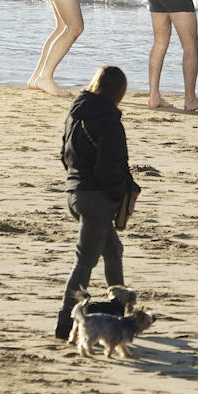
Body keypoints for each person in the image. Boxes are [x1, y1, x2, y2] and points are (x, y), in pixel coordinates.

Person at [55, 65, 141, 340]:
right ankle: (65, 324)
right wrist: (120, 194)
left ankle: (118, 314)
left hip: (75, 193)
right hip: (96, 199)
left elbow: (64, 155)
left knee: (113, 251)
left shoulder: (76, 112)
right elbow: (109, 167)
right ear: (119, 92)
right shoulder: (109, 120)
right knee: (84, 262)